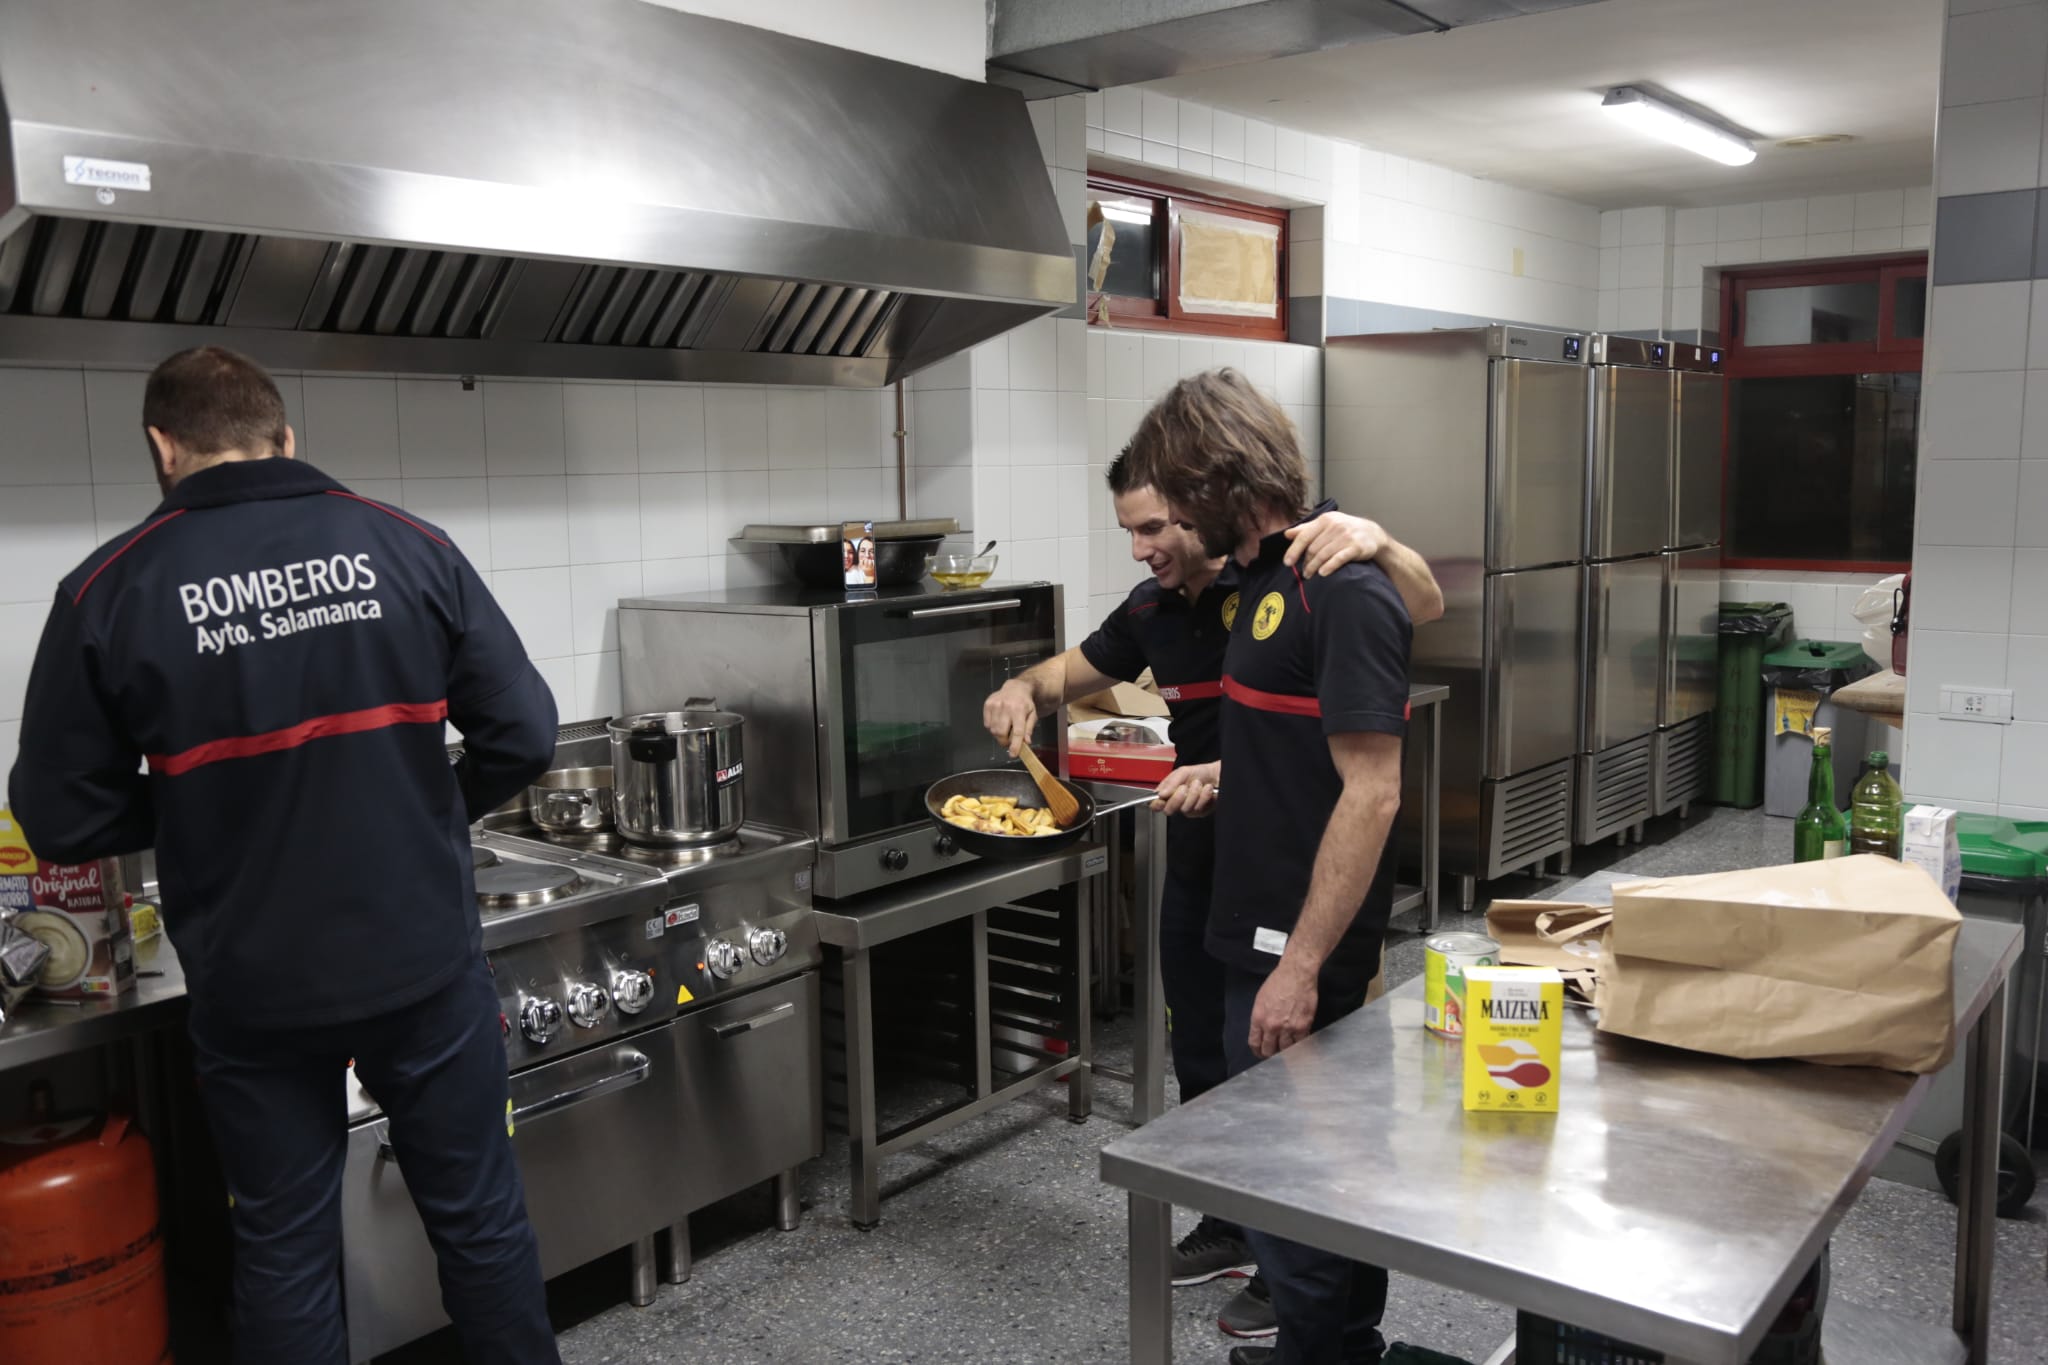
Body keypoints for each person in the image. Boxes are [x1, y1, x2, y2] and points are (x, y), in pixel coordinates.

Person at [6, 346, 563, 1365]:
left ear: (162, 449)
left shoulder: (107, 590)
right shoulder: (407, 545)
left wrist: (199, 806)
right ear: (287, 438)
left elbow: (59, 817)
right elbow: (524, 735)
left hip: (253, 985)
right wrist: (424, 805)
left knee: (283, 1251)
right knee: (480, 1223)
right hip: (420, 963)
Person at [982, 451, 1440, 1331]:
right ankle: (1236, 1222)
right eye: (1130, 530)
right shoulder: (1152, 612)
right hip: (1201, 865)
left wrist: (1380, 538)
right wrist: (1019, 687)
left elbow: (1417, 605)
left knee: (1301, 1089)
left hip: (1291, 871)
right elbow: (1063, 674)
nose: (1142, 548)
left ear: (1202, 510)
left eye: (1154, 526)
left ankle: (1294, 1270)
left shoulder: (1286, 578)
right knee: (1206, 1052)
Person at [1127, 368, 1414, 1365]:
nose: (1160, 519)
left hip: (1296, 934)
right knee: (1300, 1165)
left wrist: (1297, 964)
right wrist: (1222, 764)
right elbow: (1286, 731)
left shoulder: (1336, 586)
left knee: (1305, 1176)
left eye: (1173, 494)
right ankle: (1330, 1343)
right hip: (1248, 912)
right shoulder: (1257, 577)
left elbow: (1370, 791)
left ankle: (1322, 1349)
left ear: (1216, 479)